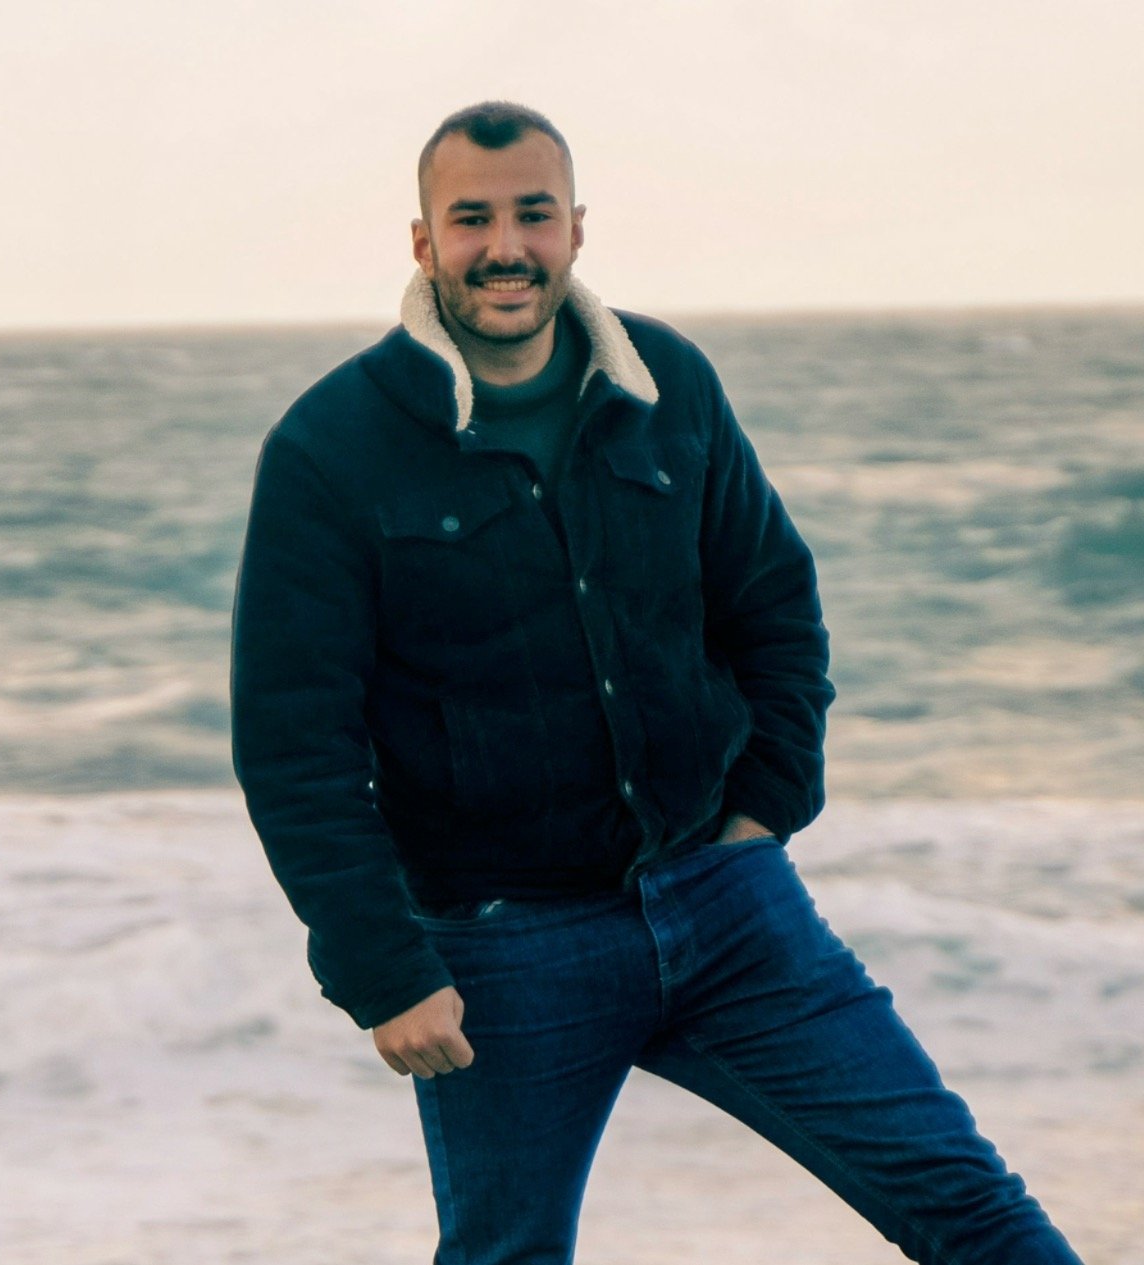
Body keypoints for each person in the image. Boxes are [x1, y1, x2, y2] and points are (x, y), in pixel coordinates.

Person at [231, 101, 1082, 1264]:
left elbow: (772, 603)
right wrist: (383, 968)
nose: (505, 247)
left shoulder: (667, 381)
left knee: (965, 1202)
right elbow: (293, 740)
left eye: (532, 214)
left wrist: (764, 807)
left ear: (575, 229)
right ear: (424, 244)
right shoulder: (333, 446)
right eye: (470, 219)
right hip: (503, 945)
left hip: (725, 902)